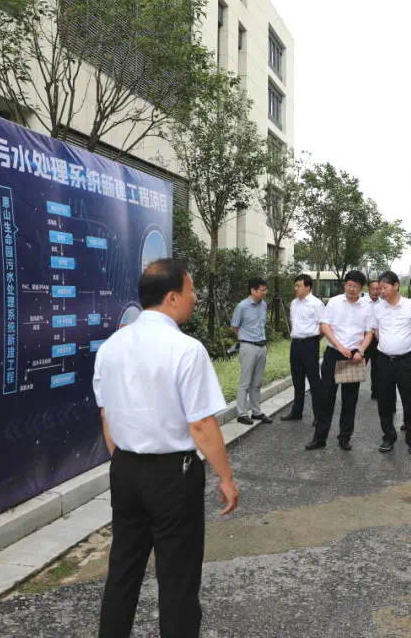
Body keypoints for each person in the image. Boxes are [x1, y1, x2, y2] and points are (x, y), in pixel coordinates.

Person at [94, 259, 239, 638]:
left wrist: (126, 460)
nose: (195, 298)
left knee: (123, 570)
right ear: (172, 297)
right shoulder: (186, 349)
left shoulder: (110, 347)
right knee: (178, 577)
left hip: (124, 469)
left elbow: (107, 415)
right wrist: (225, 477)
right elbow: (201, 424)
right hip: (173, 474)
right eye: (191, 291)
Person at [309, 271, 374, 451]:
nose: (351, 289)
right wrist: (338, 346)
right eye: (349, 285)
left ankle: (344, 438)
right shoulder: (334, 302)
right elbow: (324, 326)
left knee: (349, 399)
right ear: (345, 285)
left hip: (354, 357)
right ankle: (319, 438)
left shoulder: (367, 307)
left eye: (355, 286)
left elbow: (369, 332)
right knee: (326, 397)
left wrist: (361, 351)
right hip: (334, 353)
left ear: (361, 288)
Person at [371, 270, 411, 455]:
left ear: (396, 286)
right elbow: (375, 331)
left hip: (406, 361)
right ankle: (388, 436)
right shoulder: (377, 308)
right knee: (384, 401)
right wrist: (389, 344)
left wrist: (404, 345)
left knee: (409, 400)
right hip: (383, 360)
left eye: (384, 287)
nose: (381, 291)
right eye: (379, 288)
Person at [282, 274, 324, 422]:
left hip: (310, 344)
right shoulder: (294, 303)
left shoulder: (316, 304)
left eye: (299, 286)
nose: (296, 288)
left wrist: (313, 340)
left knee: (314, 381)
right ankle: (296, 412)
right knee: (297, 380)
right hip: (295, 344)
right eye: (295, 286)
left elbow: (323, 326)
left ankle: (319, 416)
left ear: (308, 287)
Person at [231, 278, 271, 426]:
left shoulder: (263, 305)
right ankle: (242, 414)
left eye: (265, 289)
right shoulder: (242, 306)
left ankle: (256, 412)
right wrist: (245, 339)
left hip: (262, 346)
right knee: (245, 382)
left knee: (257, 382)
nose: (264, 292)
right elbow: (235, 326)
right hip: (248, 346)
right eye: (262, 290)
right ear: (253, 290)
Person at [361, 278, 383, 402]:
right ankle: (352, 389)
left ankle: (376, 391)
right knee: (359, 365)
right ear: (368, 289)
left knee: (377, 367)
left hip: (378, 339)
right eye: (373, 288)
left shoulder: (384, 303)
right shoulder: (361, 302)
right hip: (363, 338)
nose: (375, 291)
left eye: (378, 289)